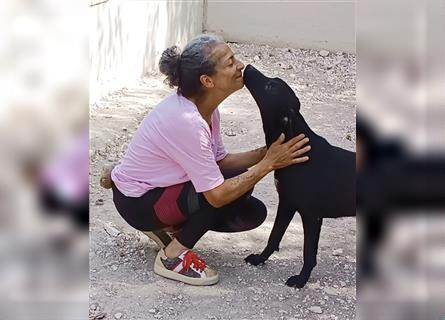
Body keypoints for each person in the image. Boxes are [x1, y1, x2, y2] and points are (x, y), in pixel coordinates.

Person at [107, 34, 311, 286]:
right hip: (138, 203)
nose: (240, 66)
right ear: (207, 80)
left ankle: (167, 229)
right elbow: (216, 195)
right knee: (231, 189)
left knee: (251, 209)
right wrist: (268, 164)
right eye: (229, 62)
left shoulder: (205, 110)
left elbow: (221, 161)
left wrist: (266, 152)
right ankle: (171, 257)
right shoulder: (187, 121)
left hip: (149, 193)